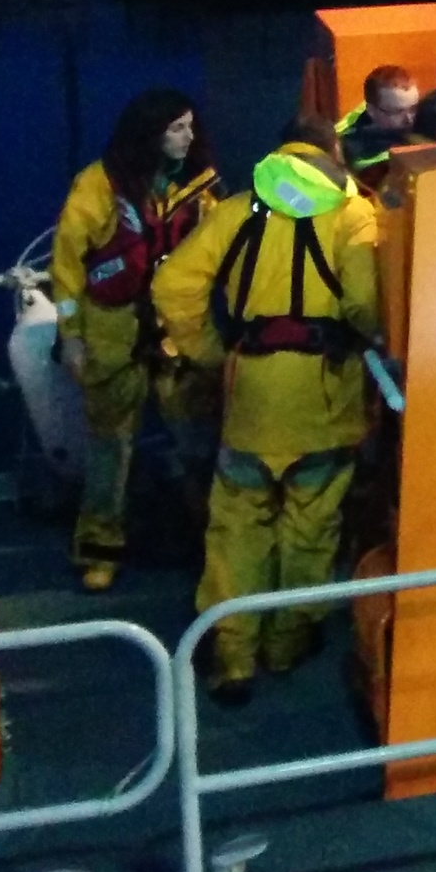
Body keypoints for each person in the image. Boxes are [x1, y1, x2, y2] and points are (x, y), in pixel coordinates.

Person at [152, 121, 382, 703]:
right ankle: (286, 643)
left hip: (250, 394)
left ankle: (233, 658)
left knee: (235, 530)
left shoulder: (236, 211)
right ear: (331, 155)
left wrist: (209, 350)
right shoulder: (354, 216)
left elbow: (173, 284)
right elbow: (363, 306)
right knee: (311, 525)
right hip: (323, 399)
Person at [49, 90, 221, 592]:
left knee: (196, 444)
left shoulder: (201, 189)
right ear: (149, 135)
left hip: (178, 334)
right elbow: (65, 273)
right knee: (111, 451)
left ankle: (212, 538)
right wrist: (72, 336)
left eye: (190, 127)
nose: (188, 138)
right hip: (112, 335)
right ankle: (99, 550)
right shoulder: (99, 187)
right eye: (175, 129)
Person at [335, 65, 436, 192]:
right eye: (398, 112)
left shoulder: (382, 106)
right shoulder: (361, 153)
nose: (409, 119)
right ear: (371, 111)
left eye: (413, 108)